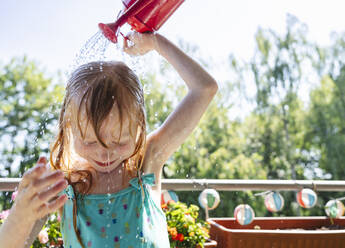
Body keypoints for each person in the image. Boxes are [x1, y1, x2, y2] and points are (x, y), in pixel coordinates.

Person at [0, 32, 218, 248]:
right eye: (90, 142)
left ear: (139, 127)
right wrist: (20, 217)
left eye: (120, 141)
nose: (105, 153)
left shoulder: (146, 165)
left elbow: (205, 88)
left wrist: (155, 43)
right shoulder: (62, 185)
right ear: (69, 127)